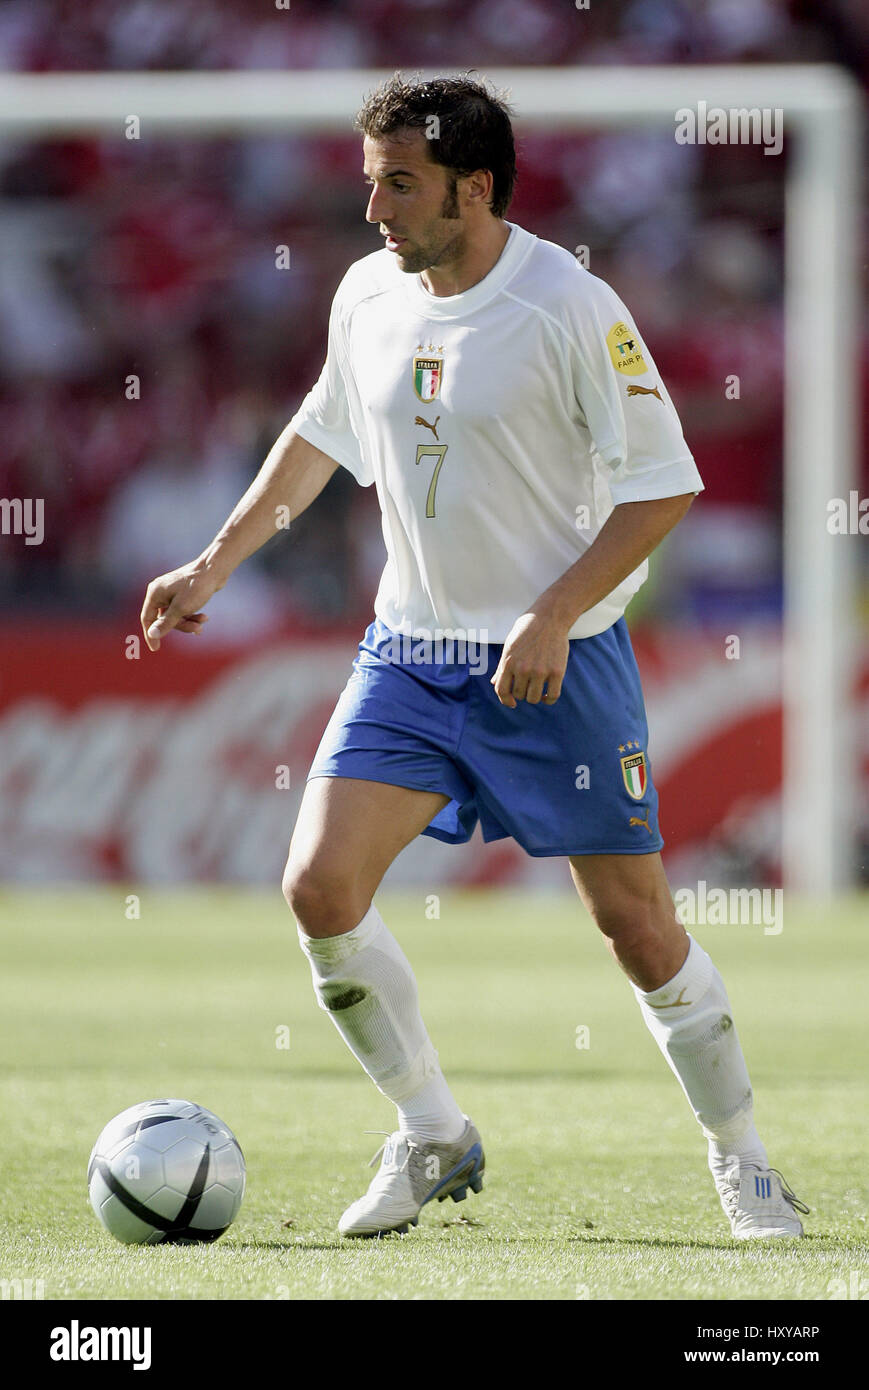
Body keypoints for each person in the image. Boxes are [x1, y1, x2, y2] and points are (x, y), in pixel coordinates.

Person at [141, 73, 807, 1242]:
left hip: (559, 662)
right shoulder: (364, 294)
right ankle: (433, 1133)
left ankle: (741, 1158)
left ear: (474, 186)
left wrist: (551, 612)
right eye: (368, 182)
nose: (374, 211)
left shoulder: (568, 304)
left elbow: (663, 488)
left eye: (399, 184)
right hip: (409, 652)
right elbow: (316, 438)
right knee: (318, 887)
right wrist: (213, 563)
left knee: (638, 929)